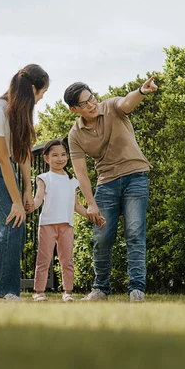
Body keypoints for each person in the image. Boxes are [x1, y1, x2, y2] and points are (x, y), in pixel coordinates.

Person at [64, 75, 157, 302]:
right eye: (84, 104)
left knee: (135, 233)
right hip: (106, 183)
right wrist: (91, 204)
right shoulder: (75, 135)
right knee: (102, 237)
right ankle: (101, 289)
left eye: (91, 98)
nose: (91, 104)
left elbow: (126, 102)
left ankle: (137, 289)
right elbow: (81, 173)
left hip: (135, 176)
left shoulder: (111, 107)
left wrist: (141, 92)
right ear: (74, 110)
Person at [0, 64, 49, 302]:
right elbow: (5, 160)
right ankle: (5, 292)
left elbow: (22, 152)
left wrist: (26, 191)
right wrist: (15, 202)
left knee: (11, 224)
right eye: (42, 92)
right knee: (14, 221)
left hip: (2, 169)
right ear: (33, 88)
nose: (43, 97)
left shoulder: (21, 111)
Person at [30, 138, 104, 302]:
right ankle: (39, 292)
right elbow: (38, 199)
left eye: (63, 154)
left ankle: (67, 292)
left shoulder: (72, 180)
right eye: (55, 155)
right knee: (43, 260)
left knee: (67, 260)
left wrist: (94, 217)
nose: (60, 158)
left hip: (67, 226)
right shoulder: (43, 178)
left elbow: (76, 206)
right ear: (46, 158)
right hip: (47, 225)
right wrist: (30, 206)